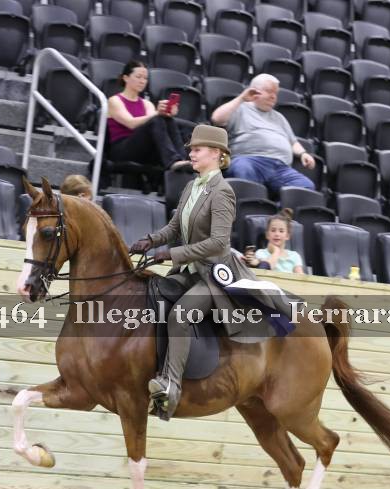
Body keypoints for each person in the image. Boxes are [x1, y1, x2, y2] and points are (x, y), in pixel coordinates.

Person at [128, 125, 293, 421]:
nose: (191, 153)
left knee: (180, 315)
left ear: (216, 153)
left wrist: (172, 253)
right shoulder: (192, 187)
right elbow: (174, 227)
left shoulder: (223, 192)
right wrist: (150, 241)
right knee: (150, 295)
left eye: (197, 149)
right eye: (191, 149)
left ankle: (171, 387)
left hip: (214, 274)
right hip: (189, 270)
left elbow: (218, 243)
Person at [210, 73, 316, 196]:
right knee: (242, 169)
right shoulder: (240, 108)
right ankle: (250, 206)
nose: (273, 96)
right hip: (250, 160)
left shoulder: (279, 117)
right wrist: (242, 98)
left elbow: (292, 142)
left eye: (275, 93)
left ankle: (277, 209)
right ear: (253, 91)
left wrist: (303, 153)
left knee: (306, 186)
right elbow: (216, 119)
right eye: (269, 91)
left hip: (280, 167)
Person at [106, 60, 191, 172]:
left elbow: (156, 122)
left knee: (168, 120)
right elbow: (131, 123)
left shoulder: (147, 103)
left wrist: (167, 113)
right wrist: (158, 113)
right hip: (122, 149)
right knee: (156, 119)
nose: (142, 81)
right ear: (126, 78)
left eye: (145, 78)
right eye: (138, 77)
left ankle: (181, 160)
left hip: (143, 148)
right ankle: (172, 161)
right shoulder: (114, 100)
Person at [249, 209, 304, 274]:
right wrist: (276, 251)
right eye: (273, 230)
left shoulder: (295, 256)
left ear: (287, 236)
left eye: (281, 231)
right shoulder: (261, 253)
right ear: (267, 235)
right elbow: (266, 269)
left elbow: (301, 277)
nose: (277, 234)